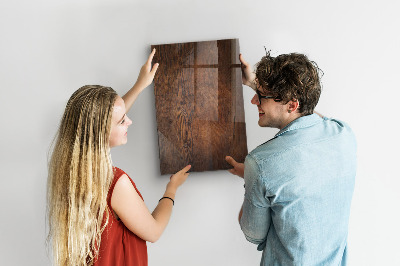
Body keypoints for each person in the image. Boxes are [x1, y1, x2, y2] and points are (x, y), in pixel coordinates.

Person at [47, 49, 191, 266]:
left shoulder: (69, 171)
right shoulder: (115, 183)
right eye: (122, 121)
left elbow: (104, 119)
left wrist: (140, 84)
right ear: (101, 132)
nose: (129, 122)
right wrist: (172, 189)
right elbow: (153, 231)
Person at [226, 52, 357, 265]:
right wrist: (254, 83)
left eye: (261, 96)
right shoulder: (344, 134)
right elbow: (311, 115)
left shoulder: (260, 163)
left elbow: (253, 234)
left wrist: (252, 177)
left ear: (292, 105)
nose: (253, 100)